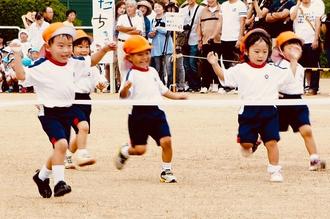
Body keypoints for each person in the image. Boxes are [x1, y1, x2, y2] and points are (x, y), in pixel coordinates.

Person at [207, 29, 295, 182]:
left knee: (272, 142)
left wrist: (294, 61)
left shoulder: (273, 70)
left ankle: (275, 170)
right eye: (256, 51)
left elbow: (289, 77)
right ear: (247, 51)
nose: (261, 55)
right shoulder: (241, 69)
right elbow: (226, 78)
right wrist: (214, 64)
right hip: (248, 112)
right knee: (246, 147)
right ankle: (254, 141)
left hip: (269, 112)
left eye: (264, 51)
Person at [114, 35, 187, 183]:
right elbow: (123, 96)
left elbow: (163, 90)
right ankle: (125, 151)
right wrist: (125, 89)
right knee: (140, 150)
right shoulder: (131, 74)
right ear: (130, 58)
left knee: (166, 141)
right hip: (138, 115)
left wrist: (177, 96)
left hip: (156, 113)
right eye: (139, 54)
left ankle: (166, 171)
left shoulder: (153, 71)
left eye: (147, 53)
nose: (144, 57)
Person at [64, 30, 116, 169]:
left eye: (86, 47)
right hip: (72, 100)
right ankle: (82, 154)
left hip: (86, 100)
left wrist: (101, 84)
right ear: (72, 48)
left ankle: (67, 154)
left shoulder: (90, 65)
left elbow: (98, 80)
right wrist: (105, 49)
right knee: (83, 127)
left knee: (81, 131)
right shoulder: (71, 62)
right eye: (80, 47)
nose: (83, 50)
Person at [274, 31, 325, 171]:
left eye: (297, 45)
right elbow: (283, 82)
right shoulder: (279, 66)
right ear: (281, 50)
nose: (295, 48)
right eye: (290, 46)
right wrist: (293, 62)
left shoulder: (301, 67)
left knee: (306, 130)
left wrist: (295, 62)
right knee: (270, 132)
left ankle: (314, 159)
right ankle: (256, 141)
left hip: (297, 102)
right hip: (281, 102)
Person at [290, 0, 323, 95]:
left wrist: (316, 39)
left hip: (311, 40)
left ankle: (314, 88)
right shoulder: (294, 8)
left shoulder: (315, 6)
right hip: (299, 42)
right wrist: (297, 4)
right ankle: (300, 87)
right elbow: (292, 17)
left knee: (313, 66)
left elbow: (317, 24)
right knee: (299, 66)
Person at [197, 0, 222, 93]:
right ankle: (205, 85)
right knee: (205, 63)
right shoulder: (203, 11)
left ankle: (216, 83)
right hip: (205, 41)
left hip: (218, 40)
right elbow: (199, 26)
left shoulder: (221, 9)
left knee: (217, 62)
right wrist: (199, 40)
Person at [149, 1, 174, 87]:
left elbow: (168, 31)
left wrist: (158, 28)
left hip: (167, 46)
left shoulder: (168, 18)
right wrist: (151, 34)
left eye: (159, 7)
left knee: (169, 68)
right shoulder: (152, 20)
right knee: (158, 68)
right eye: (155, 7)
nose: (157, 9)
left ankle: (170, 85)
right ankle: (160, 86)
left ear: (163, 9)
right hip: (156, 47)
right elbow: (150, 33)